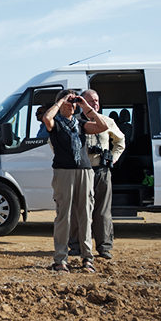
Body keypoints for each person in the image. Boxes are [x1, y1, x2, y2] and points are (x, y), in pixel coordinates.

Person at [42, 89, 107, 273]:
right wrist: (61, 101)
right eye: (68, 102)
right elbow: (47, 119)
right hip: (63, 172)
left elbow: (102, 126)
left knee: (85, 215)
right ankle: (61, 258)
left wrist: (84, 105)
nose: (71, 105)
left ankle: (87, 258)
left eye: (73, 102)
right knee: (64, 216)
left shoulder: (80, 124)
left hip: (84, 171)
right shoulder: (56, 124)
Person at [69, 90, 125, 260]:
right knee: (79, 210)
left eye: (97, 101)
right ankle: (76, 246)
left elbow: (120, 142)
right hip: (81, 172)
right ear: (82, 103)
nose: (95, 103)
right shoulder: (75, 122)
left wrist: (113, 159)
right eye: (91, 101)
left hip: (102, 171)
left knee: (102, 211)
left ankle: (104, 247)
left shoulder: (107, 122)